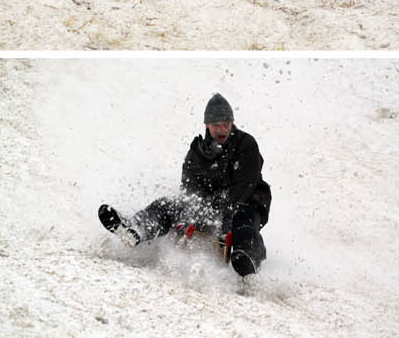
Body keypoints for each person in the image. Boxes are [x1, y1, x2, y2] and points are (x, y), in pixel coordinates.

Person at [96, 94, 272, 277]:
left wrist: (224, 209)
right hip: (210, 205)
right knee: (168, 206)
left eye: (226, 124)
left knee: (243, 224)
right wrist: (192, 211)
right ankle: (135, 229)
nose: (222, 130)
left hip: (247, 201)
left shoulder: (245, 144)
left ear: (232, 123)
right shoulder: (197, 152)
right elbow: (189, 187)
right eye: (216, 125)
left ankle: (248, 259)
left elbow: (246, 183)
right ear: (207, 126)